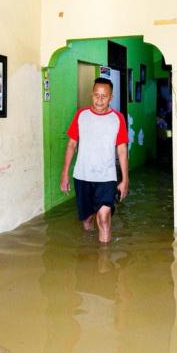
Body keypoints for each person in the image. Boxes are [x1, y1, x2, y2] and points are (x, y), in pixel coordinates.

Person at [60, 77, 129, 243]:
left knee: (104, 218)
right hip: (82, 175)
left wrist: (125, 179)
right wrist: (65, 174)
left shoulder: (117, 119)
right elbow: (71, 145)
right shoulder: (81, 115)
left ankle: (104, 264)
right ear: (92, 94)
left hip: (106, 177)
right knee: (88, 220)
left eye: (104, 96)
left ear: (111, 97)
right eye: (96, 95)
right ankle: (90, 253)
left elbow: (122, 149)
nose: (99, 100)